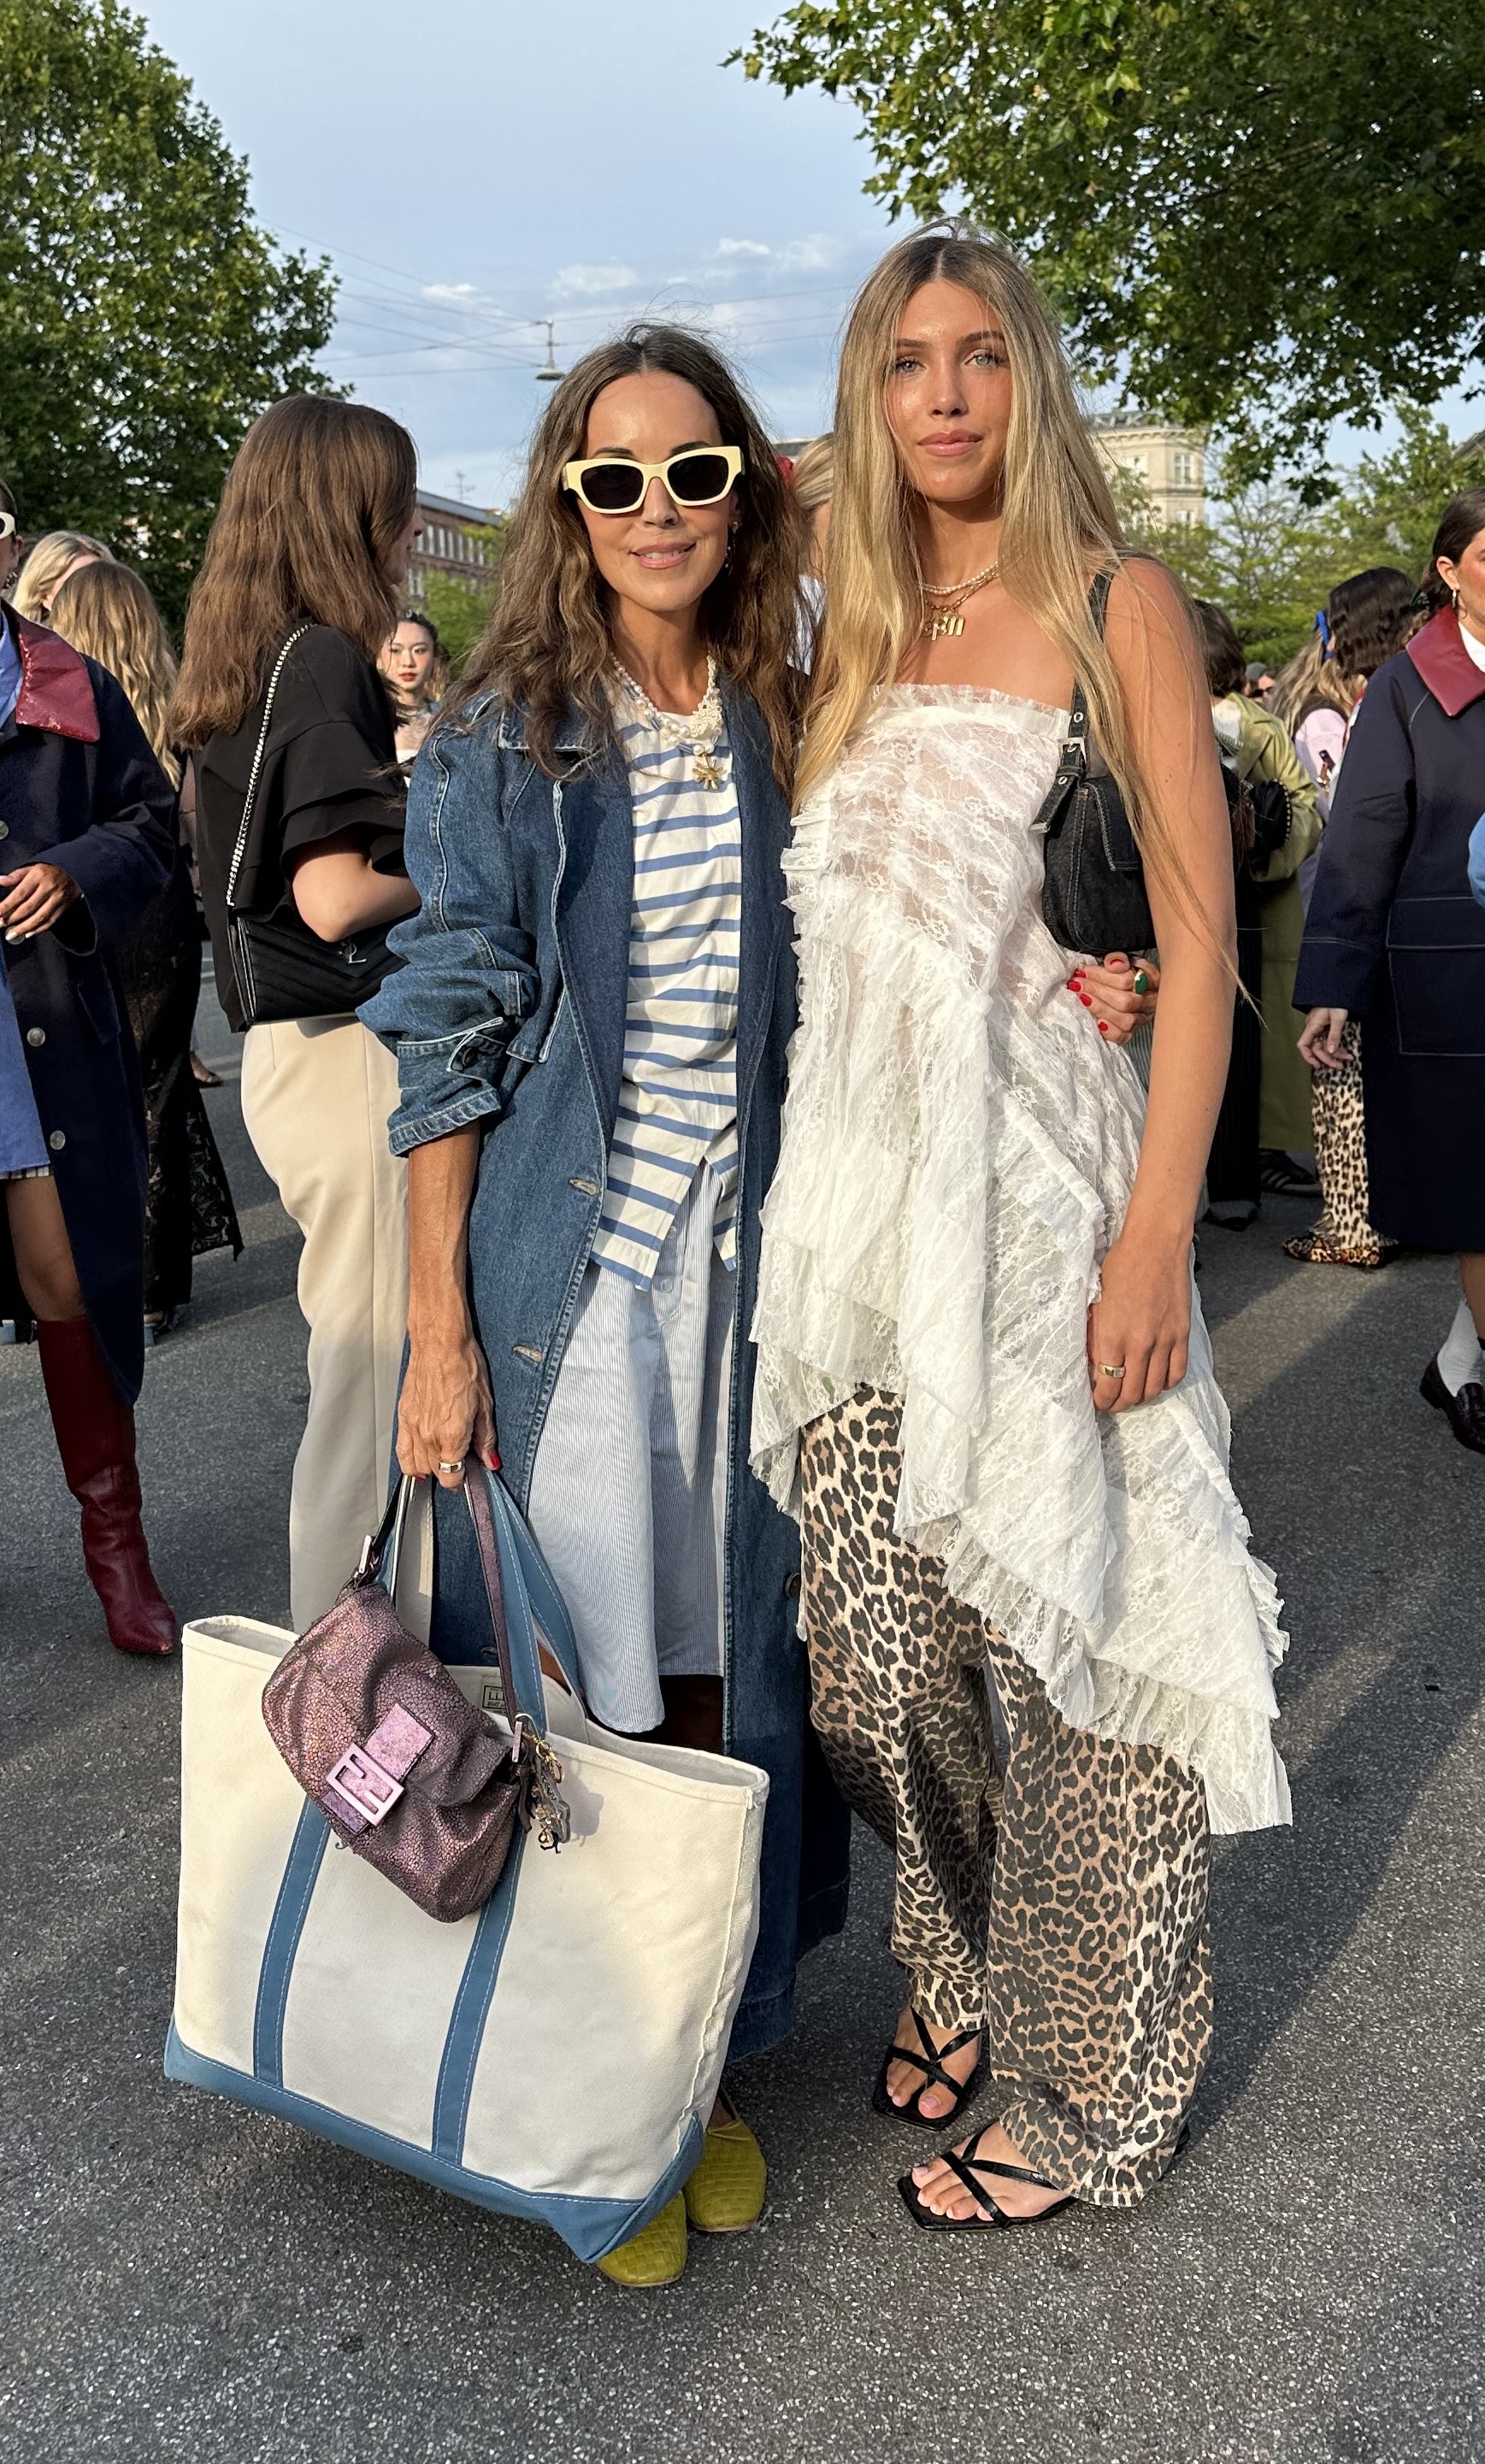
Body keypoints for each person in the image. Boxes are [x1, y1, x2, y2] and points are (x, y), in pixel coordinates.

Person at [750, 226, 1289, 2233]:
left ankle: (1094, 2089)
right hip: (857, 1208)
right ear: (870, 396)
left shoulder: (1113, 596)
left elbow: (1195, 916)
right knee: (873, 1659)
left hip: (1052, 1192)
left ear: (1030, 376)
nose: (951, 395)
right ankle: (964, 1956)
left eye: (983, 356)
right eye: (909, 364)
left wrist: (1158, 1234)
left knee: (1083, 1636)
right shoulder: (846, 621)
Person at [364, 323, 851, 2286]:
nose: (658, 507)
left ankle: (698, 2069)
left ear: (744, 491)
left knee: (728, 1678)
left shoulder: (776, 705)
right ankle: (576, 2094)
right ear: (567, 504)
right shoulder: (504, 735)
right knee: (562, 1706)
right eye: (615, 476)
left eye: (696, 470)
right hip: (569, 1290)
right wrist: (438, 1327)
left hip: (748, 1293)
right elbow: (450, 1028)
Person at [174, 397, 421, 1626]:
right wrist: (465, 861)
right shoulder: (325, 655)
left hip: (289, 1051)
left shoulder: (240, 656)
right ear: (351, 509)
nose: (413, 527)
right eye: (397, 500)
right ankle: (355, 1705)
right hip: (345, 1053)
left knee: (355, 1378)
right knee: (370, 1396)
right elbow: (334, 896)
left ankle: (351, 1697)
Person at [0, 485, 180, 1653]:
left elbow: (154, 826)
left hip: (36, 1027)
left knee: (67, 1277)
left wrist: (71, 871)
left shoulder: (68, 679)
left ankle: (118, 1549)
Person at [1296, 491, 1485, 1453]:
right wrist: (1334, 980)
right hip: (1452, 977)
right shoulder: (1412, 685)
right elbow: (1363, 837)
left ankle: (1459, 1361)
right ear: (1449, 573)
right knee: (1477, 1190)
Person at [48, 561, 241, 1336]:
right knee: (156, 1086)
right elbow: (192, 813)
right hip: (156, 900)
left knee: (79, 1085)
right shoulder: (172, 701)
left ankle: (76, 1277)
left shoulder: (57, 696)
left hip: (78, 891)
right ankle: (155, 1286)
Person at [1274, 571, 1415, 1268]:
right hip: (1372, 905)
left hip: (1352, 902)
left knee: (1344, 1061)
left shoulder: (1355, 706)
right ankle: (1369, 1215)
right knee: (1355, 1058)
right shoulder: (1372, 704)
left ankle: (1357, 1220)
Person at [1195, 599, 1323, 1220]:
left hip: (1209, 900)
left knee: (1216, 1033)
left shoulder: (1182, 718)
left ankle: (1226, 1172)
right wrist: (1265, 857)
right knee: (1243, 1034)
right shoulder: (1255, 723)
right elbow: (1304, 805)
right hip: (1247, 897)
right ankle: (1241, 1174)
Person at [377, 609, 447, 771]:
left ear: (434, 657)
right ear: (378, 658)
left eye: (419, 651)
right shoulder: (367, 720)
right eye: (395, 650)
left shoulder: (449, 720)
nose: (408, 662)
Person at [10, 530, 114, 626]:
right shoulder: (15, 643)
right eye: (77, 584)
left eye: (100, 581)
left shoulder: (125, 641)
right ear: (43, 596)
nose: (92, 592)